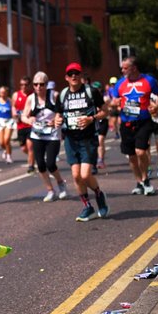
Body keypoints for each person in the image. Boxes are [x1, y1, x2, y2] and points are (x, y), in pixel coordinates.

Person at [54, 63, 109, 221]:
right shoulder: (63, 95)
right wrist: (57, 120)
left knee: (85, 175)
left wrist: (91, 119)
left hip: (88, 139)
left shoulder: (91, 92)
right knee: (76, 176)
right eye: (70, 74)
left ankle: (99, 195)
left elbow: (105, 111)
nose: (73, 76)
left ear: (81, 76)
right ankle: (88, 207)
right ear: (66, 77)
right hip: (71, 139)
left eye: (76, 73)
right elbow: (58, 115)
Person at [110, 56, 158, 195]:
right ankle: (139, 182)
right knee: (132, 156)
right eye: (122, 68)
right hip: (126, 123)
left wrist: (156, 106)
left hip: (144, 122)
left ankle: (146, 179)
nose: (122, 70)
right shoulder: (120, 83)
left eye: (125, 68)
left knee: (141, 151)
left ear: (134, 68)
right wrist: (114, 104)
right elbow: (114, 100)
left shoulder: (148, 80)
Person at [22, 71, 67, 202]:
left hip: (52, 135)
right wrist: (28, 120)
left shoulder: (54, 96)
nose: (38, 87)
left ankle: (60, 183)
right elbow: (24, 115)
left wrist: (56, 120)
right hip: (37, 134)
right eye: (35, 84)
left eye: (41, 84)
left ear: (46, 85)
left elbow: (62, 113)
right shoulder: (31, 98)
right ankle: (50, 190)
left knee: (51, 163)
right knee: (41, 164)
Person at [12, 76, 35, 173]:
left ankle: (31, 166)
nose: (23, 87)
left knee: (30, 146)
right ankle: (33, 157)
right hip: (20, 125)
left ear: (29, 85)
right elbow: (13, 106)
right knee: (23, 148)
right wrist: (14, 113)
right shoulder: (16, 95)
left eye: (26, 85)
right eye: (21, 85)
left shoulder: (33, 95)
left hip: (30, 124)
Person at [0, 85, 15, 164]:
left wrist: (15, 116)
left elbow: (13, 110)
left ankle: (9, 156)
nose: (2, 94)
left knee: (7, 139)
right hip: (0, 121)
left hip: (9, 121)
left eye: (4, 92)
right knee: (1, 142)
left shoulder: (10, 101)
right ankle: (5, 150)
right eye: (1, 92)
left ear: (7, 93)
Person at [93, 81, 109, 171]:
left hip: (103, 121)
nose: (96, 90)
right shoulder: (91, 98)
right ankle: (95, 160)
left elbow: (108, 109)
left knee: (100, 140)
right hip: (95, 122)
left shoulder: (105, 98)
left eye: (97, 88)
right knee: (95, 142)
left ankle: (100, 159)